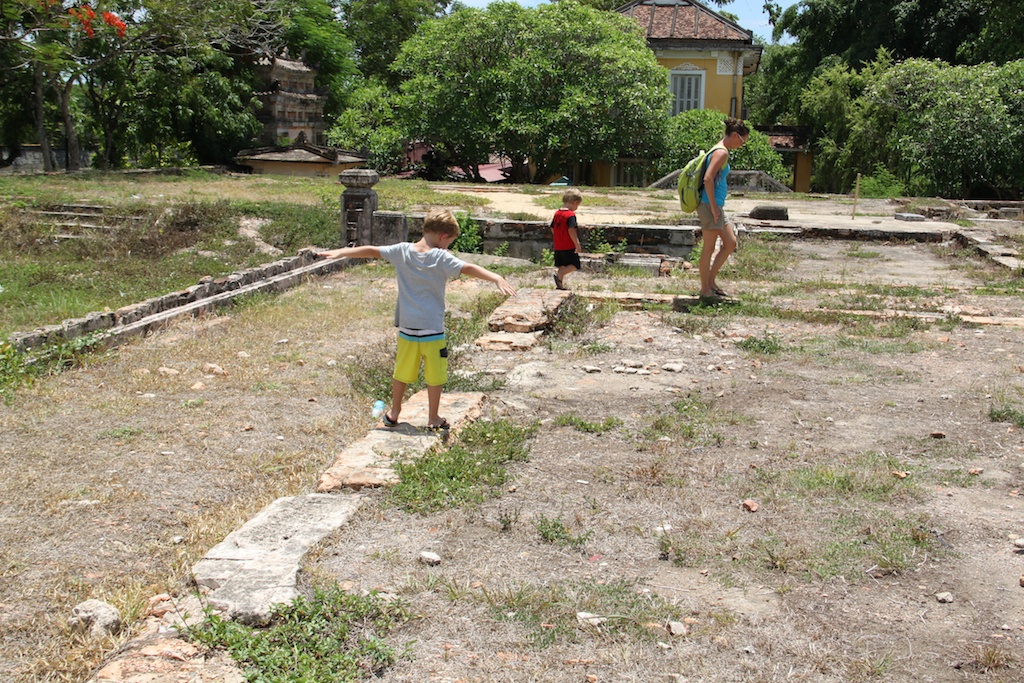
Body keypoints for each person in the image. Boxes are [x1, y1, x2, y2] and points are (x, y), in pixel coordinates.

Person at [320, 209, 517, 431]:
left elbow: (373, 250)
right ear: (444, 237)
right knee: (435, 374)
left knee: (401, 371)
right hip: (432, 330)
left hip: (407, 327)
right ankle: (433, 417)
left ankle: (394, 412)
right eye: (449, 242)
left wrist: (342, 252)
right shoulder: (441, 257)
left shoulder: (401, 251)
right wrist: (496, 277)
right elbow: (468, 267)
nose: (448, 246)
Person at [697, 117, 748, 300]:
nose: (741, 145)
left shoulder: (719, 150)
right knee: (708, 248)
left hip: (716, 205)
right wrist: (713, 206)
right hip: (710, 205)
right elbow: (708, 179)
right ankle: (705, 289)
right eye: (742, 142)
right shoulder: (721, 152)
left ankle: (710, 282)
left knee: (730, 242)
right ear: (735, 135)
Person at [550, 187, 583, 290]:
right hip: (568, 245)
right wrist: (577, 244)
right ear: (575, 202)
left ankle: (560, 284)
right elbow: (571, 230)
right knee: (574, 264)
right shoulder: (570, 215)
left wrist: (559, 236)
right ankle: (560, 274)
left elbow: (552, 228)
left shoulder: (557, 213)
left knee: (562, 265)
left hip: (558, 245)